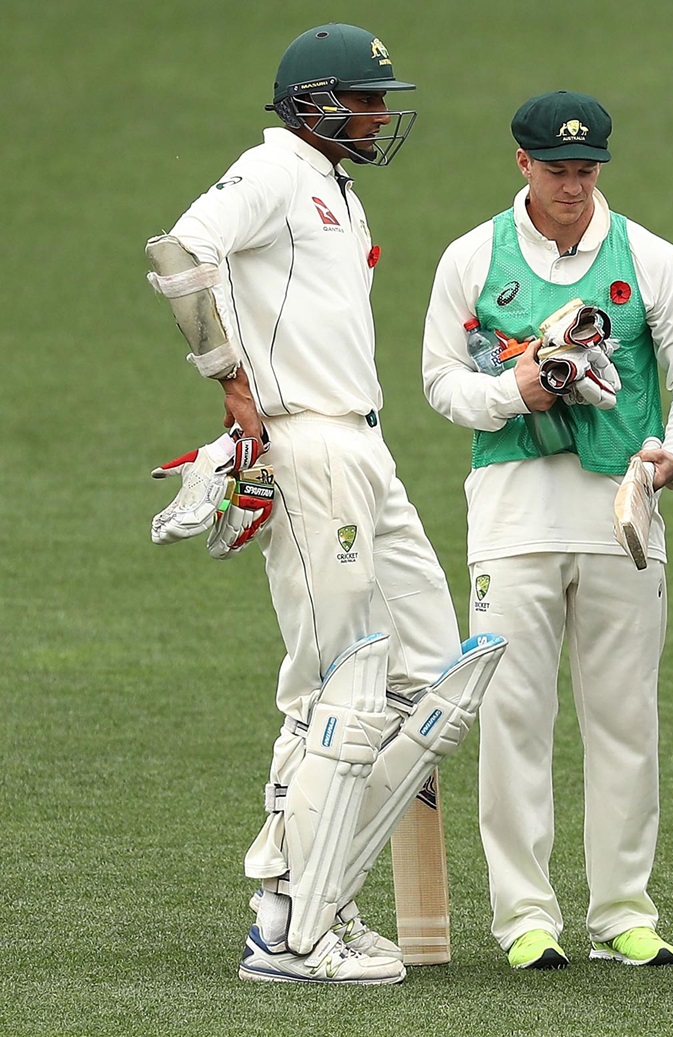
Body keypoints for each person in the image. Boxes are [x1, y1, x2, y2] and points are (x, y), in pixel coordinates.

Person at [150, 24, 504, 985]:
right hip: (306, 442)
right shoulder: (270, 171)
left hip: (366, 445)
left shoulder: (334, 188)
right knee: (331, 689)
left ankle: (320, 888)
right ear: (313, 101)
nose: (382, 115)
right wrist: (226, 379)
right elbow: (180, 251)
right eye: (366, 98)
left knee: (436, 668)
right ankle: (289, 923)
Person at [421, 90, 673, 971]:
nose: (573, 187)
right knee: (514, 715)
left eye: (587, 171)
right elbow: (439, 380)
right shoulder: (473, 258)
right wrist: (516, 392)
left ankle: (624, 911)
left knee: (625, 718)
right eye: (556, 170)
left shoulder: (649, 258)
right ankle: (524, 918)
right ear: (523, 164)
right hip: (511, 515)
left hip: (622, 516)